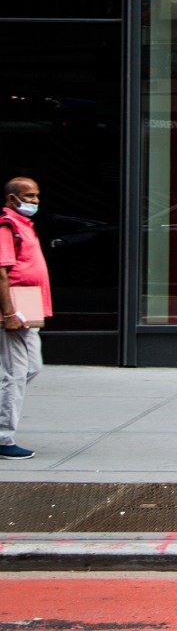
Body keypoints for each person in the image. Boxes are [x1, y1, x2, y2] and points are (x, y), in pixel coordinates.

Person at [0, 176, 50, 460]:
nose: (34, 201)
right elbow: (1, 272)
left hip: (29, 301)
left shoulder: (24, 225)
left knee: (32, 368)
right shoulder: (7, 226)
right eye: (28, 196)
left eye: (36, 196)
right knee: (16, 372)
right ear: (11, 199)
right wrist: (8, 313)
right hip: (17, 304)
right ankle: (4, 438)